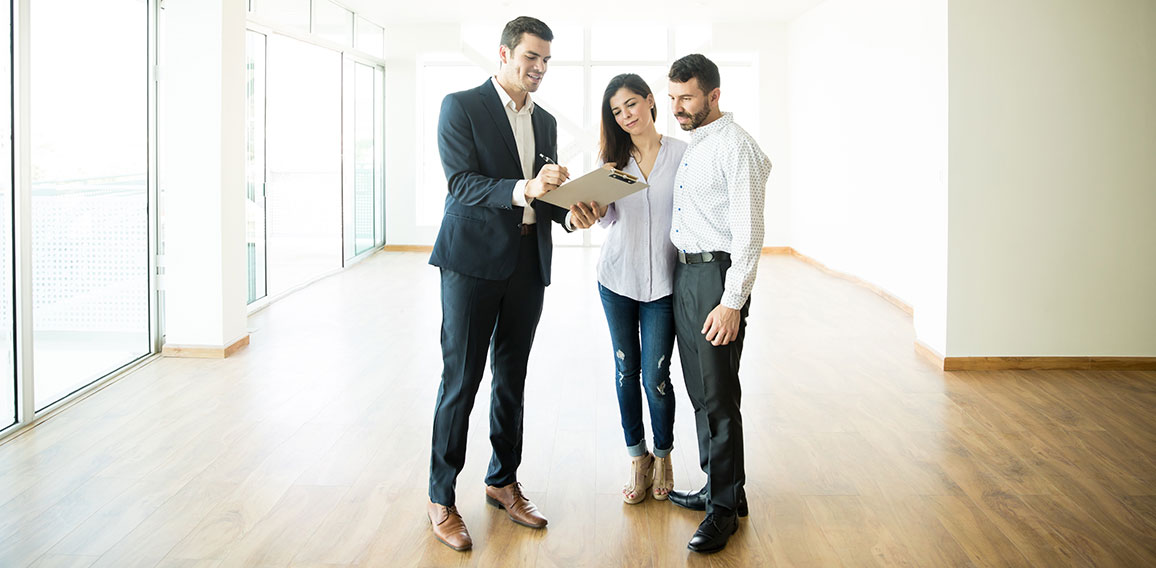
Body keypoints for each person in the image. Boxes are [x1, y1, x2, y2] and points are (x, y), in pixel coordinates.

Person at [426, 16, 600, 552]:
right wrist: (527, 186)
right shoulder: (461, 106)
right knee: (462, 380)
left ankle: (503, 481)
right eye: (531, 57)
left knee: (512, 378)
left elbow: (542, 199)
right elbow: (462, 186)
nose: (540, 67)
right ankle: (441, 497)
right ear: (503, 54)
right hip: (471, 265)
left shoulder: (543, 121)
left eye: (547, 59)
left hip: (528, 265)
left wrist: (572, 215)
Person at [664, 54, 771, 554]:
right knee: (701, 392)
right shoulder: (696, 144)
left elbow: (750, 233)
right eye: (672, 98)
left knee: (719, 396)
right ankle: (723, 488)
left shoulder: (736, 147)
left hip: (716, 277)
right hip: (687, 271)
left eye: (686, 98)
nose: (678, 107)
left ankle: (723, 512)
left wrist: (731, 301)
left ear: (714, 95)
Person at [593, 74, 687, 505]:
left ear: (651, 102)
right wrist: (593, 205)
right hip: (617, 279)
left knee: (657, 376)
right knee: (625, 372)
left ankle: (664, 455)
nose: (626, 116)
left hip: (665, 284)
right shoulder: (613, 163)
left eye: (631, 104)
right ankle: (638, 457)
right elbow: (606, 219)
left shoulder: (683, 156)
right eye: (617, 111)